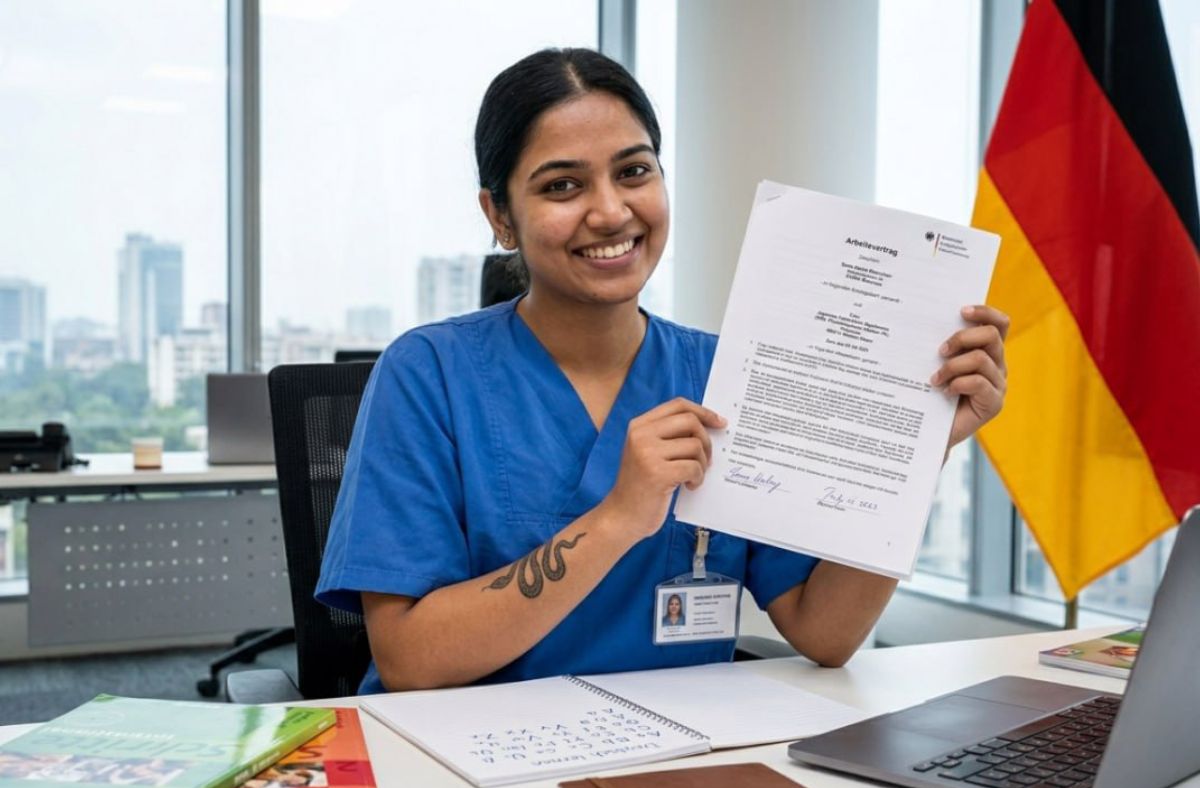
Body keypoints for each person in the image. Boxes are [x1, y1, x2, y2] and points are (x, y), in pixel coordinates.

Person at [315, 48, 1008, 693]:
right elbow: (409, 659)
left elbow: (824, 631)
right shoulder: (429, 372)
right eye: (562, 185)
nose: (612, 211)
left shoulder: (726, 373)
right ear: (499, 216)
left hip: (672, 756)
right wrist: (617, 517)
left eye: (635, 171)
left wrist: (918, 444)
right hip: (465, 764)